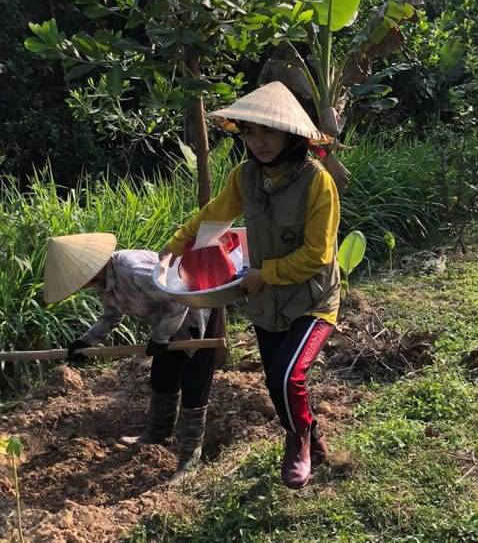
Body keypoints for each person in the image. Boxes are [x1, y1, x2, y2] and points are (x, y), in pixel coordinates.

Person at [159, 81, 342, 489]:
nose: (259, 142)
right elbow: (214, 216)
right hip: (265, 302)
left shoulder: (317, 183)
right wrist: (174, 246)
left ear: (290, 135)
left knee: (287, 376)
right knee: (276, 382)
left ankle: (298, 441)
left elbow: (317, 255)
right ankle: (313, 434)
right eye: (251, 132)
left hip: (313, 300)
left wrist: (264, 274)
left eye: (268, 132)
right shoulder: (245, 177)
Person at [43, 233, 220, 481]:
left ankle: (190, 459)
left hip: (197, 314)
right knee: (162, 379)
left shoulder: (133, 271)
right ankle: (157, 434)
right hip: (167, 326)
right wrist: (87, 341)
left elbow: (180, 298)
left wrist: (160, 336)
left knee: (194, 384)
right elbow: (112, 314)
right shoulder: (104, 282)